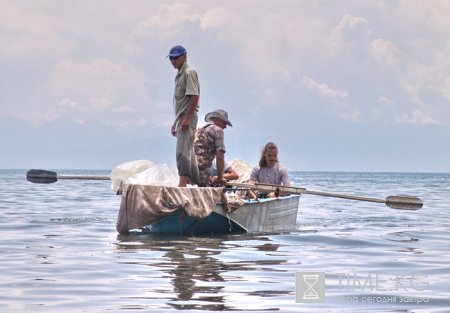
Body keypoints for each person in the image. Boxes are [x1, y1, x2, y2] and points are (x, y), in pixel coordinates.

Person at [168, 45, 200, 187]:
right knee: (189, 151)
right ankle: (196, 182)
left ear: (184, 57)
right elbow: (181, 102)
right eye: (171, 58)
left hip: (188, 116)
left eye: (176, 58)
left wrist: (186, 118)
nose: (173, 61)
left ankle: (182, 184)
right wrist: (177, 122)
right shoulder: (179, 74)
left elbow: (194, 96)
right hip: (182, 117)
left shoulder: (188, 73)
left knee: (182, 152)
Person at [194, 109, 233, 187]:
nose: (225, 127)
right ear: (217, 119)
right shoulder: (218, 130)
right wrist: (220, 178)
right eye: (224, 123)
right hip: (202, 168)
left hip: (190, 167)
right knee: (204, 195)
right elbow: (220, 156)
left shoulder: (198, 130)